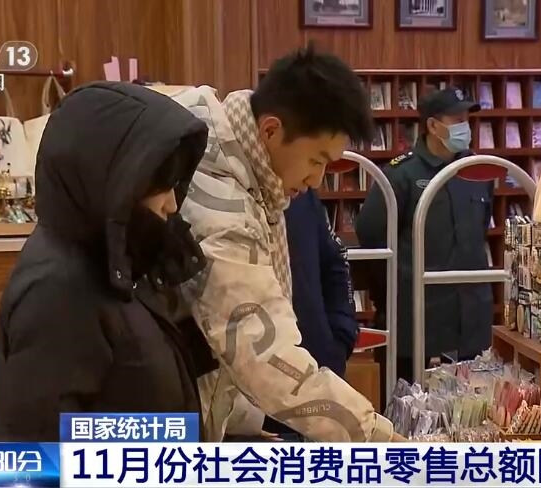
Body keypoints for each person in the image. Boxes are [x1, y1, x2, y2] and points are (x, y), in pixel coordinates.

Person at [171, 44, 402, 442]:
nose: (317, 180)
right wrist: (379, 439)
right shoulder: (221, 207)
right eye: (316, 160)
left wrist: (241, 423)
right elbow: (260, 352)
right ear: (270, 131)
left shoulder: (237, 162)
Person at [0, 82, 216, 441]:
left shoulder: (123, 260)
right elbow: (39, 448)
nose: (172, 204)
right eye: (158, 185)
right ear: (109, 181)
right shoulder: (57, 290)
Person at [355, 88, 494, 383]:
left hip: (470, 322)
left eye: (467, 118)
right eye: (457, 119)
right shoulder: (400, 174)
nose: (465, 126)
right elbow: (372, 237)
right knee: (403, 403)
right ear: (432, 125)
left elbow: (479, 230)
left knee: (470, 406)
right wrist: (393, 294)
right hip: (416, 321)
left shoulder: (476, 172)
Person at [260, 190, 361, 440]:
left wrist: (341, 336)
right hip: (251, 402)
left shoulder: (303, 196)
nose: (315, 178)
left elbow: (335, 263)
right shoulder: (228, 200)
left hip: (320, 370)